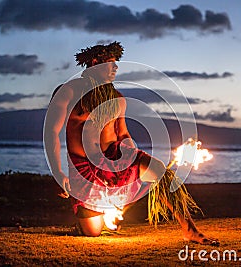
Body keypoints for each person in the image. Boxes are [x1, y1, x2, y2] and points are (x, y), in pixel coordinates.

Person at [45, 41, 218, 245]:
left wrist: (131, 148)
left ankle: (190, 229)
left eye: (116, 63)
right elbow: (51, 132)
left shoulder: (118, 98)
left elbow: (123, 132)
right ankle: (89, 222)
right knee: (92, 232)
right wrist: (57, 172)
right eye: (111, 63)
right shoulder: (70, 91)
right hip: (85, 168)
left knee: (160, 171)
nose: (116, 67)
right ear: (94, 62)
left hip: (117, 157)